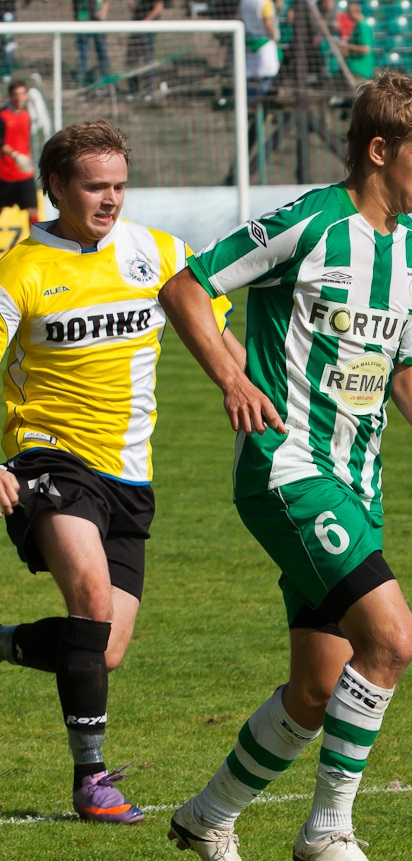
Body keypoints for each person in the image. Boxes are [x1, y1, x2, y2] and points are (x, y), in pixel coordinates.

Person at [159, 70, 412, 861]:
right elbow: (186, 287)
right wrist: (229, 376)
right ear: (378, 150)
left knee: (315, 688)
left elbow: (405, 367)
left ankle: (208, 814)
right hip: (287, 467)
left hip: (357, 482)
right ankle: (327, 830)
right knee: (395, 638)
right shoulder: (309, 223)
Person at [0, 119, 233, 823]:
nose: (111, 199)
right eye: (95, 186)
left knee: (101, 650)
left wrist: (247, 389)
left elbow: (216, 330)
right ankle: (91, 779)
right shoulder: (21, 266)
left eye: (120, 186)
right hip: (47, 454)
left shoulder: (160, 252)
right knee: (92, 601)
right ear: (56, 189)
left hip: (129, 474)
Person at [0, 80, 39, 225]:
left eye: (22, 94)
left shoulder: (26, 116)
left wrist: (26, 158)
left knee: (33, 211)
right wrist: (15, 156)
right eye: (16, 94)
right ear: (10, 96)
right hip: (4, 174)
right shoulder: (2, 116)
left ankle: (36, 245)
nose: (19, 97)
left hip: (24, 173)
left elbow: (24, 141)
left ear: (26, 96)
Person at [240, 0, 280, 102]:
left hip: (250, 43)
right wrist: (274, 37)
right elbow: (268, 23)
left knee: (251, 86)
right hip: (265, 45)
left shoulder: (244, 2)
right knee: (264, 87)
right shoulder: (265, 3)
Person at [125, 0, 164, 100]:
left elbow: (159, 7)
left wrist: (146, 20)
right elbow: (134, 11)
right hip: (136, 26)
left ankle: (148, 91)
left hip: (148, 28)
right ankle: (133, 90)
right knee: (131, 58)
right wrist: (131, 5)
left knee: (148, 58)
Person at [73, 0, 111, 89]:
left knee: (102, 53)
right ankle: (81, 84)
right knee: (83, 53)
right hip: (83, 20)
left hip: (98, 22)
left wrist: (103, 12)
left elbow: (106, 2)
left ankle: (107, 83)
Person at [341, 1, 373, 81]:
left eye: (348, 12)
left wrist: (346, 45)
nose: (347, 15)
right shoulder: (358, 26)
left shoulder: (362, 26)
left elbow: (365, 49)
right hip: (356, 70)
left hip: (360, 71)